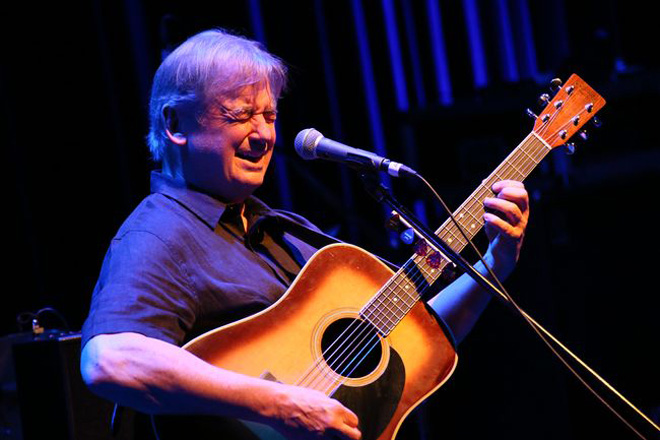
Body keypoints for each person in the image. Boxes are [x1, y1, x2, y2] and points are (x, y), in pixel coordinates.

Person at [80, 29, 529, 440]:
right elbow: (110, 360)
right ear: (176, 125)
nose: (264, 135)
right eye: (240, 115)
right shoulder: (159, 234)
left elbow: (420, 336)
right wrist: (279, 404)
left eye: (270, 115)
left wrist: (495, 263)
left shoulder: (282, 233)